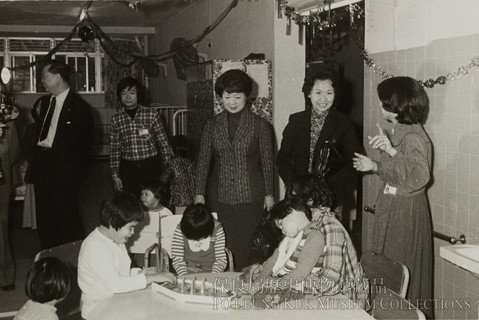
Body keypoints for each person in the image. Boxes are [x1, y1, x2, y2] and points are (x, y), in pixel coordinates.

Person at [352, 76, 432, 318]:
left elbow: (419, 177)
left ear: (397, 107)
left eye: (383, 102)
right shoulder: (401, 130)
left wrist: (390, 151)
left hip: (405, 216)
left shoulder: (413, 136)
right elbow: (399, 174)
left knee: (399, 275)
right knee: (386, 270)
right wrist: (374, 165)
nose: (379, 106)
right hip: (395, 210)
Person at [194, 69, 274, 271]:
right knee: (221, 243)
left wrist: (270, 194)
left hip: (251, 196)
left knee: (248, 245)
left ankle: (246, 285)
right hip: (219, 196)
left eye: (237, 97)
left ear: (247, 97)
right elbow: (203, 161)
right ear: (220, 97)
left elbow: (267, 162)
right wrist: (199, 193)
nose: (232, 102)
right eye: (227, 96)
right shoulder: (212, 125)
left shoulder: (260, 126)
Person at [245, 196, 369, 310]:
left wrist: (276, 283)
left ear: (292, 211)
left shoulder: (315, 234)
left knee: (261, 303)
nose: (282, 231)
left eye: (282, 224)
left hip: (301, 287)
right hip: (295, 284)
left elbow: (303, 270)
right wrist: (260, 280)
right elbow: (274, 259)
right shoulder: (291, 237)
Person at [277, 68, 362, 224]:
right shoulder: (296, 121)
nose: (323, 99)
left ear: (335, 95)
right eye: (318, 93)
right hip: (298, 196)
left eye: (329, 93)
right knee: (298, 240)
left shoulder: (344, 123)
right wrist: (295, 184)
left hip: (332, 196)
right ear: (308, 94)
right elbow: (282, 159)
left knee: (330, 242)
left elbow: (355, 163)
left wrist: (324, 187)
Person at [78, 192, 176, 319]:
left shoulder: (115, 239)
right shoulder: (95, 246)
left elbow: (120, 273)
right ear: (113, 222)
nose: (133, 232)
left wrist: (141, 273)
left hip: (115, 304)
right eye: (130, 227)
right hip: (98, 311)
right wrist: (151, 278)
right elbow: (115, 284)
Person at [31, 59, 94, 249]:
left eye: (45, 76)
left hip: (65, 171)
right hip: (43, 167)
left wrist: (72, 173)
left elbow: (85, 145)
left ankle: (72, 256)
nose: (42, 80)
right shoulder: (45, 102)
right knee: (44, 216)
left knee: (66, 216)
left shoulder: (80, 108)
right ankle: (48, 256)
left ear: (58, 77)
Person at [109, 76, 173, 199]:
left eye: (132, 93)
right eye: (124, 93)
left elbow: (164, 144)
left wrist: (167, 171)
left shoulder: (152, 115)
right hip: (128, 168)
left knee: (153, 202)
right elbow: (114, 150)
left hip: (150, 167)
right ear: (119, 96)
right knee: (131, 203)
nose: (128, 97)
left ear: (138, 94)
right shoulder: (116, 119)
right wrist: (115, 175)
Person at [171, 204, 227, 275]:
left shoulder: (217, 229)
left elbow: (221, 260)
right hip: (187, 270)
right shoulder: (181, 228)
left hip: (212, 271)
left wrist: (213, 275)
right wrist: (184, 276)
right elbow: (177, 259)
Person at [161, 135, 195, 214]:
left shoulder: (172, 163)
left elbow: (162, 181)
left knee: (178, 222)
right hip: (193, 200)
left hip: (179, 201)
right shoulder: (192, 163)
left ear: (173, 149)